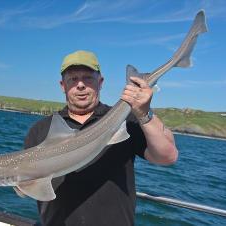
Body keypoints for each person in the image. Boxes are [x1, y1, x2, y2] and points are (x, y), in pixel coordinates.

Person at [24, 50, 178, 226]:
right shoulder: (40, 130)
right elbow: (28, 186)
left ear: (100, 82)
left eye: (88, 78)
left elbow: (167, 156)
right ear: (62, 85)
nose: (80, 85)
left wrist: (144, 113)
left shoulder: (127, 121)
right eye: (73, 79)